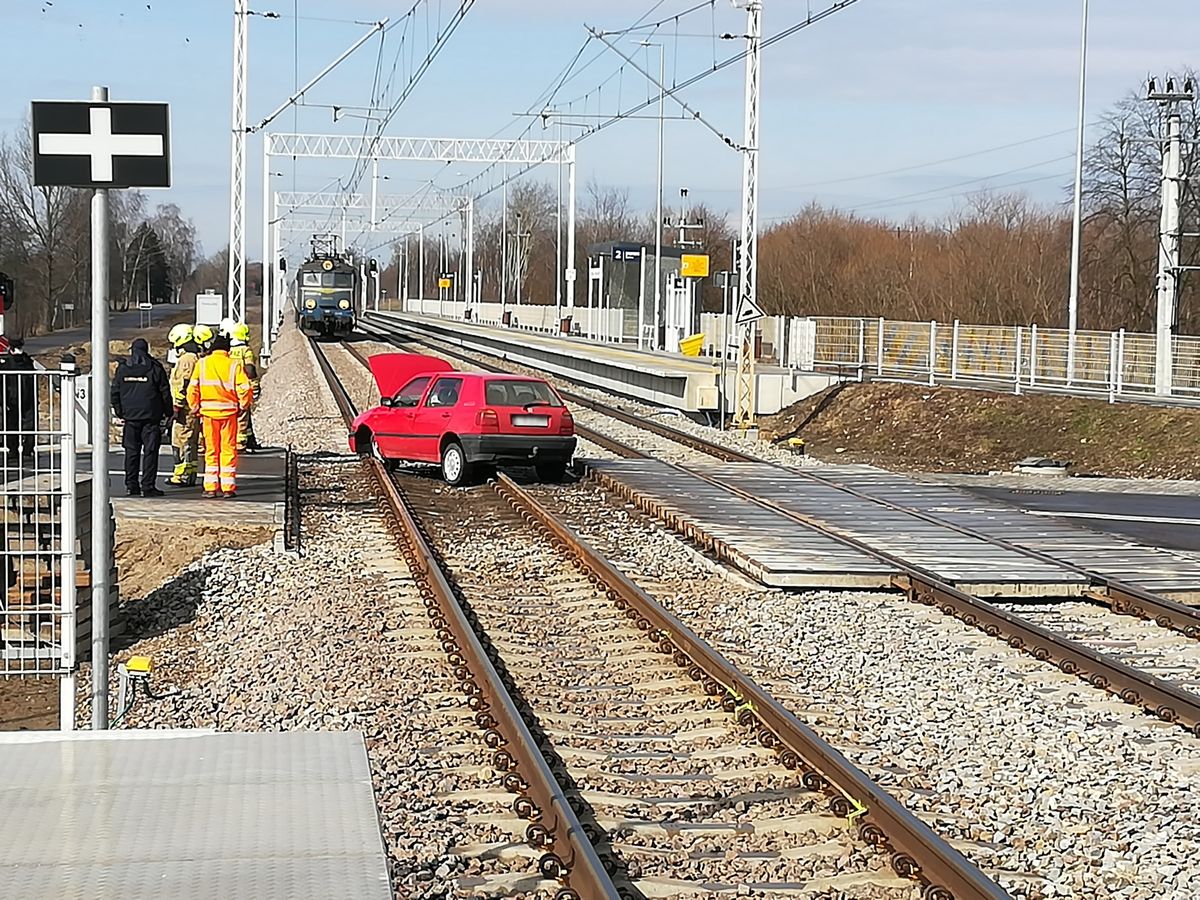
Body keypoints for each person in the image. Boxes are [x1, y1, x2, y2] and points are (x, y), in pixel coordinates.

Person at [187, 329, 252, 498]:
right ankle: (228, 487)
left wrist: (194, 406)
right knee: (228, 449)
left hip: (207, 414)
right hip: (229, 414)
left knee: (211, 450)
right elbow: (245, 388)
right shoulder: (234, 364)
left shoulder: (202, 364)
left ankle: (210, 487)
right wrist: (243, 405)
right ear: (227, 350)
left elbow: (192, 388)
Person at [111, 338, 172, 497]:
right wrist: (168, 412)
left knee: (131, 452)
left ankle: (131, 485)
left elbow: (115, 392)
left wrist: (120, 412)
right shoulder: (155, 368)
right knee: (150, 452)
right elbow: (165, 392)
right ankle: (148, 486)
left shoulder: (123, 368)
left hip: (130, 418)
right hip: (151, 418)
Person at [166, 324, 202, 487]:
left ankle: (182, 475)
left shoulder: (187, 359)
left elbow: (183, 384)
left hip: (185, 409)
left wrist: (177, 406)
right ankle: (188, 473)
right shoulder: (193, 357)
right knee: (189, 441)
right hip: (189, 407)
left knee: (182, 440)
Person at [224, 321, 261, 451]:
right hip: (242, 388)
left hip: (227, 388)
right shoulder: (246, 351)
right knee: (242, 417)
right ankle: (240, 444)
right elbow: (250, 370)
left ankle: (230, 441)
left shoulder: (227, 351)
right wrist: (255, 387)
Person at [0, 338, 37, 458]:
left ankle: (14, 450)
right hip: (27, 396)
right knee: (30, 424)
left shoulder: (6, 363)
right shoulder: (27, 361)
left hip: (11, 398)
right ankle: (28, 449)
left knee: (12, 424)